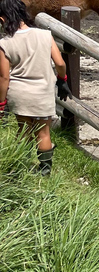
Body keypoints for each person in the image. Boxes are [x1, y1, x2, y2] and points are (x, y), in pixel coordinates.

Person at [0, 0, 72, 175]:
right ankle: (44, 171)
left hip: (20, 94)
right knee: (43, 133)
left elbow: (4, 77)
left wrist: (1, 103)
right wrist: (62, 79)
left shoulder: (5, 43)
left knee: (23, 131)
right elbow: (60, 63)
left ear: (3, 19)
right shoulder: (45, 35)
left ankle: (19, 167)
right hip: (42, 93)